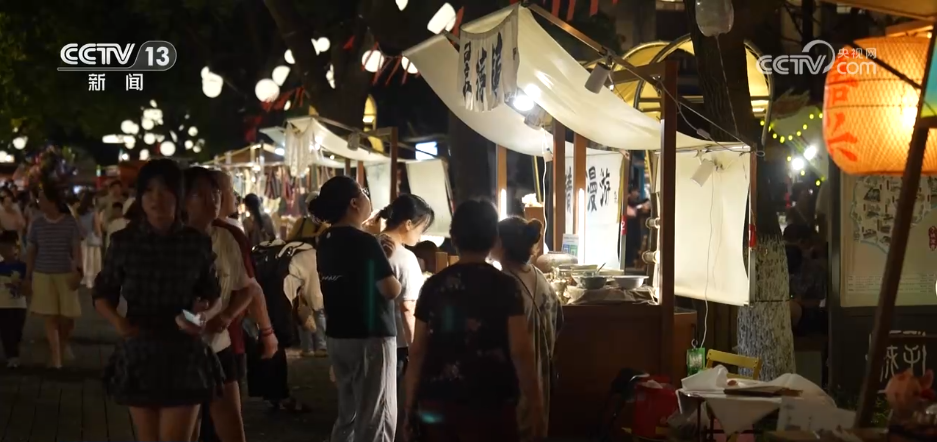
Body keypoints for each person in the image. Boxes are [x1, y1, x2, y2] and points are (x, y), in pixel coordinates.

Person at [92, 159, 224, 441]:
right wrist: (119, 323)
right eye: (149, 190)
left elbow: (213, 295)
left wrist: (202, 316)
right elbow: (102, 293)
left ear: (179, 195)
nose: (156, 198)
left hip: (183, 352)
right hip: (140, 349)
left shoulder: (195, 242)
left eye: (165, 190)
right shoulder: (124, 241)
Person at [402, 200, 545, 442]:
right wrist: (536, 406)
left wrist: (408, 409)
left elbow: (417, 352)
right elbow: (521, 351)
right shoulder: (506, 287)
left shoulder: (433, 286)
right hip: (492, 404)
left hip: (439, 405)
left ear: (454, 237)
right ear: (494, 239)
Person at [312, 176, 402, 442]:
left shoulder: (325, 239)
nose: (367, 197)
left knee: (348, 415)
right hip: (370, 336)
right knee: (375, 418)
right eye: (364, 192)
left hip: (338, 335)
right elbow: (390, 290)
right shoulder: (365, 242)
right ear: (354, 203)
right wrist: (387, 261)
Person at [183, 167, 258, 442]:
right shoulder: (171, 244)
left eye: (214, 192)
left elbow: (247, 287)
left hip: (220, 346)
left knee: (232, 426)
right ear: (182, 199)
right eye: (199, 194)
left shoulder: (226, 238)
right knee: (187, 430)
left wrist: (227, 315)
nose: (211, 200)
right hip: (182, 351)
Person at [492, 216, 564, 441]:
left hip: (515, 378)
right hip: (542, 375)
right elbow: (559, 321)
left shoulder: (502, 284)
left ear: (500, 244)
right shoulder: (540, 277)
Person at [375, 194, 435, 442]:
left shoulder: (369, 244)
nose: (421, 236)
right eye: (422, 228)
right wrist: (414, 348)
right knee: (392, 408)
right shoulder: (405, 258)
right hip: (396, 343)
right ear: (408, 224)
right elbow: (408, 309)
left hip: (363, 335)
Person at [26, 183, 83, 369]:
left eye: (42, 199)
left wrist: (79, 271)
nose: (39, 202)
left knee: (68, 318)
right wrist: (28, 275)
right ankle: (56, 357)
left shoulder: (69, 222)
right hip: (43, 274)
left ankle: (63, 346)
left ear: (53, 201)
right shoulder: (37, 223)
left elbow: (76, 249)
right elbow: (32, 251)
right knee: (49, 317)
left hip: (65, 274)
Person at [0, 231, 28, 368]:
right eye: (2, 248)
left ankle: (14, 355)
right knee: (5, 331)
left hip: (19, 305)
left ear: (16, 248)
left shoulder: (23, 267)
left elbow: (28, 287)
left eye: (8, 248)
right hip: (2, 305)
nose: (4, 251)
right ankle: (12, 357)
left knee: (16, 331)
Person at [76, 191, 103, 289]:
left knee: (85, 260)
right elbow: (97, 228)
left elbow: (78, 226)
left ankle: (85, 279)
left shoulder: (79, 212)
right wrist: (100, 237)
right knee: (93, 261)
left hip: (83, 239)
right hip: (93, 239)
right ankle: (92, 280)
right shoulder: (94, 212)